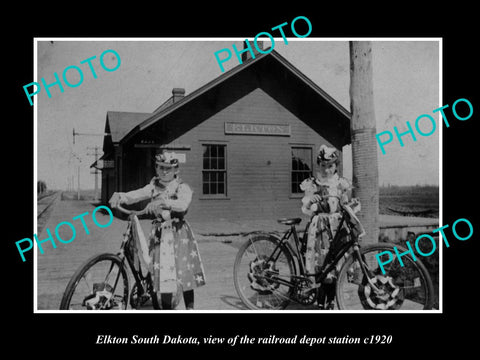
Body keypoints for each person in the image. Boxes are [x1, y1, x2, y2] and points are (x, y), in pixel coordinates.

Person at [109, 151, 206, 310]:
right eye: (161, 167)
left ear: (176, 170)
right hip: (160, 235)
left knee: (183, 270)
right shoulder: (153, 186)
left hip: (178, 234)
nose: (165, 171)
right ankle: (161, 307)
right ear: (156, 168)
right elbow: (138, 194)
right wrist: (121, 196)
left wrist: (164, 202)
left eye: (169, 168)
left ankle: (190, 308)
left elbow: (183, 204)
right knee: (158, 272)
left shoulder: (182, 187)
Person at [300, 144, 353, 309]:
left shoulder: (341, 184)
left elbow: (346, 204)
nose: (327, 170)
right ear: (319, 166)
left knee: (335, 265)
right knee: (322, 267)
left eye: (330, 166)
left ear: (336, 166)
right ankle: (321, 303)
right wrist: (311, 202)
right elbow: (305, 210)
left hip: (336, 228)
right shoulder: (312, 184)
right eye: (323, 166)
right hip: (319, 230)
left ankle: (331, 301)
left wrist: (352, 205)